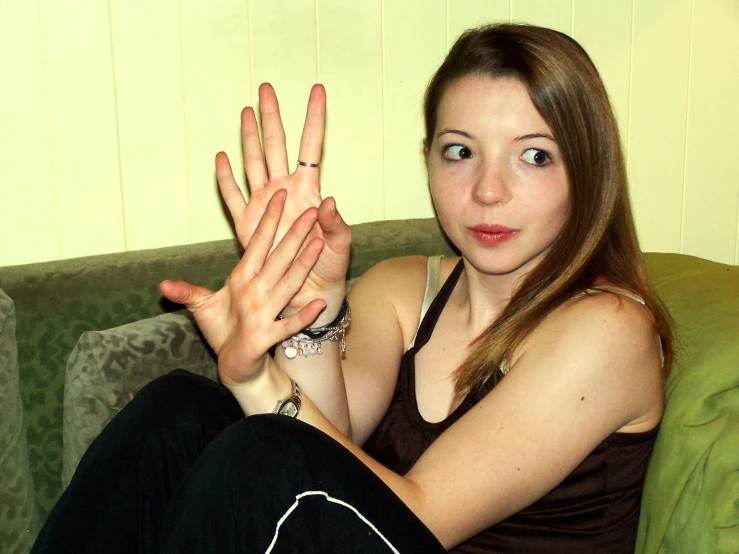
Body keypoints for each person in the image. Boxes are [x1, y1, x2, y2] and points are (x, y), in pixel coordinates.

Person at [32, 23, 672, 553]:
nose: (487, 190)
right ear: (427, 158)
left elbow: (418, 516)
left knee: (259, 453)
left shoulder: (609, 328)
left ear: (588, 169)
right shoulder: (402, 287)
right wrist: (309, 312)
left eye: (535, 155)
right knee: (179, 410)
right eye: (459, 151)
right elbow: (329, 448)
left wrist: (258, 379)